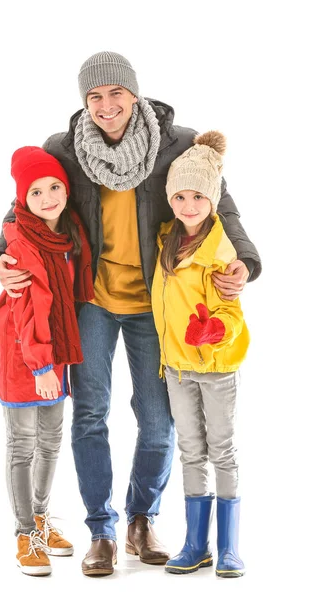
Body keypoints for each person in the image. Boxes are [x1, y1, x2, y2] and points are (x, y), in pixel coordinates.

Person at [0, 52, 262, 577]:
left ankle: (141, 517)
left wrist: (246, 262)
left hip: (156, 305)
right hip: (90, 301)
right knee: (90, 416)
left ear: (134, 95)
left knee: (158, 421)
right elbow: (22, 207)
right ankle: (101, 531)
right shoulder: (64, 150)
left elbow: (223, 205)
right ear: (84, 103)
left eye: (116, 94)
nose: (106, 106)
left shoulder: (177, 144)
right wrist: (0, 256)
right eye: (94, 97)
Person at [0, 146, 95, 576]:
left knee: (51, 438)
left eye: (55, 187)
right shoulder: (22, 241)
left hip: (55, 348)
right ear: (22, 199)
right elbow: (26, 309)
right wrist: (39, 367)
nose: (49, 197)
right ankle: (23, 534)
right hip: (23, 350)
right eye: (36, 192)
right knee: (23, 442)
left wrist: (53, 362)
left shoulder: (68, 234)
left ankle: (40, 518)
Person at [152, 131, 248, 578]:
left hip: (215, 367)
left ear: (212, 199)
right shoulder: (166, 241)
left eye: (198, 197)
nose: (189, 205)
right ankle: (196, 544)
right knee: (191, 450)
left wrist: (215, 330)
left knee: (221, 450)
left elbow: (231, 309)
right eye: (180, 196)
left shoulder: (221, 250)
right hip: (176, 367)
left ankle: (228, 547)